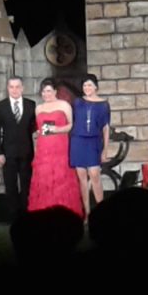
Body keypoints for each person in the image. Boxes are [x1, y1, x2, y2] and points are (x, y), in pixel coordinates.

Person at [27, 79, 83, 217]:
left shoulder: (64, 105)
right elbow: (40, 128)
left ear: (55, 91)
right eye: (44, 92)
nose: (46, 94)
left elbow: (71, 125)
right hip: (43, 149)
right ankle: (43, 212)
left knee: (61, 178)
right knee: (44, 178)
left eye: (49, 91)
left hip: (60, 147)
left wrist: (57, 129)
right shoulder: (39, 108)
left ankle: (65, 213)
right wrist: (38, 133)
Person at [0, 75, 36, 218]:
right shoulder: (1, 106)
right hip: (7, 153)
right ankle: (14, 217)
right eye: (12, 87)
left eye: (17, 87)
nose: (15, 90)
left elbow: (37, 127)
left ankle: (26, 215)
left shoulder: (31, 105)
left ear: (22, 88)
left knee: (26, 186)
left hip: (27, 153)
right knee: (10, 186)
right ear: (7, 88)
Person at [70, 73, 111, 215]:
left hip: (93, 142)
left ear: (96, 87)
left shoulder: (104, 104)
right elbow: (70, 121)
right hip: (78, 141)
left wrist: (105, 150)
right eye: (84, 85)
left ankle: (101, 212)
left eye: (89, 85)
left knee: (95, 175)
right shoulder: (77, 102)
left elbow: (106, 128)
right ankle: (87, 213)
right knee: (82, 178)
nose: (86, 88)